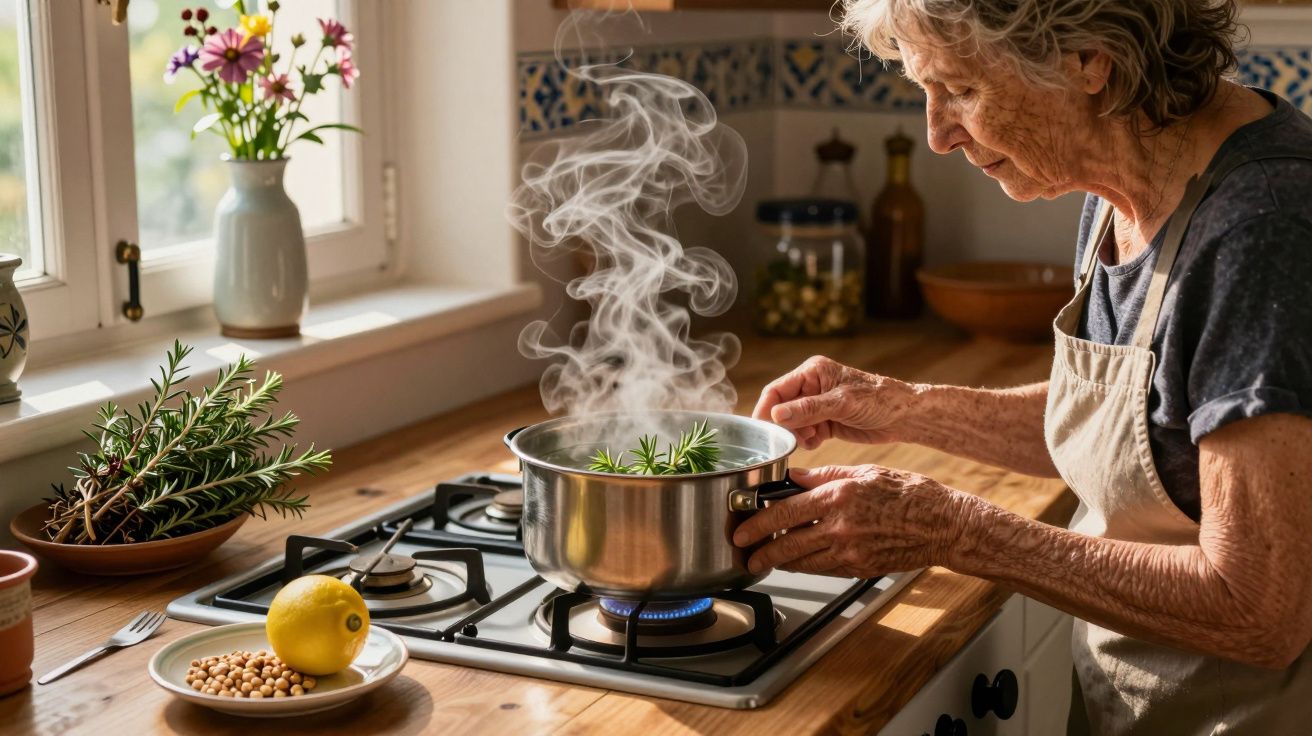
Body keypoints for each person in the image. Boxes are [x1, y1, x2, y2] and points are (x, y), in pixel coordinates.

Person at [732, 1, 1312, 733]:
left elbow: (1257, 609)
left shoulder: (1262, 229)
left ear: (1090, 60)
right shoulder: (1119, 185)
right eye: (926, 92)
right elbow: (1136, 431)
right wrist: (903, 404)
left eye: (963, 91)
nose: (937, 135)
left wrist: (955, 530)